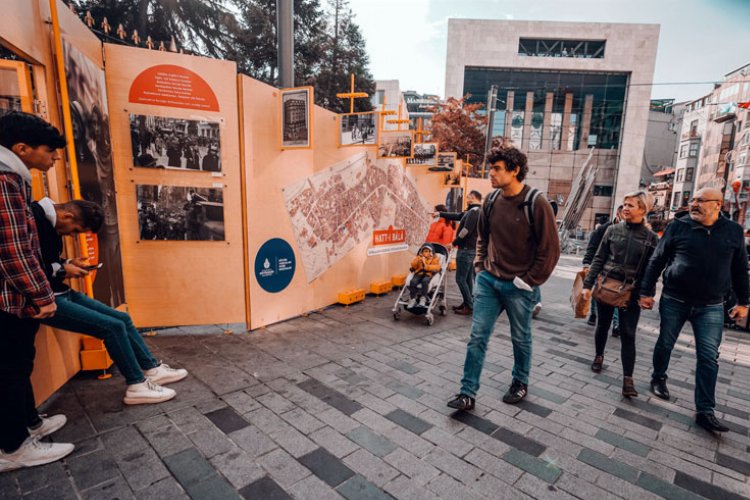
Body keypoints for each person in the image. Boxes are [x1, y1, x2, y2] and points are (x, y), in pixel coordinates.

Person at [30, 197, 189, 405]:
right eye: (75, 230)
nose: (71, 235)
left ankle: (152, 369)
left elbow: (42, 260)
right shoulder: (34, 219)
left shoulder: (46, 220)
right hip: (45, 299)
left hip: (58, 292)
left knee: (121, 318)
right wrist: (62, 269)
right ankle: (136, 385)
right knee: (111, 326)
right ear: (67, 215)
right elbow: (25, 265)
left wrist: (67, 263)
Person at [447, 147, 560, 410]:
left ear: (515, 170)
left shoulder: (536, 202)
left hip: (519, 286)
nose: (491, 174)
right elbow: (483, 238)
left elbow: (550, 250)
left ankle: (520, 381)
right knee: (477, 337)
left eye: (497, 168)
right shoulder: (490, 200)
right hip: (489, 281)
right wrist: (479, 267)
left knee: (520, 337)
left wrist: (530, 281)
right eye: (491, 168)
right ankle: (467, 393)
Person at [639, 187, 749, 433]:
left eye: (700, 200)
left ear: (717, 205)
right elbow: (657, 259)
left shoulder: (733, 232)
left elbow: (740, 269)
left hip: (711, 306)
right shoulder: (679, 226)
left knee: (709, 357)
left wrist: (744, 302)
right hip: (675, 300)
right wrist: (646, 292)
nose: (694, 204)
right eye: (693, 200)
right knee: (665, 343)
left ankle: (705, 410)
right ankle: (659, 377)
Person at [0, 111, 74, 471]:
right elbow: (13, 248)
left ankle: (29, 423)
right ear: (22, 148)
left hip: (15, 296)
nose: (54, 158)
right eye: (50, 151)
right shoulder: (4, 180)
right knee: (10, 369)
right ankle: (13, 447)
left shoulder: (14, 177)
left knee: (18, 365)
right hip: (8, 299)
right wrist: (42, 295)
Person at [581, 193, 658, 397]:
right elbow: (599, 258)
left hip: (632, 292)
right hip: (607, 285)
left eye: (630, 205)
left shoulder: (651, 238)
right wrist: (587, 285)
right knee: (603, 325)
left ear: (643, 209)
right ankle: (598, 356)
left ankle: (628, 380)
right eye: (624, 204)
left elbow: (652, 269)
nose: (625, 208)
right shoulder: (612, 230)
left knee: (628, 334)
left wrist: (647, 294)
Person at [436, 190, 482, 315]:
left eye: (468, 197)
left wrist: (453, 243)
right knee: (467, 279)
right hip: (469, 250)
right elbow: (457, 216)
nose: (467, 199)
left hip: (466, 250)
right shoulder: (472, 211)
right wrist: (440, 214)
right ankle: (467, 303)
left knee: (460, 279)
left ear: (473, 198)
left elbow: (465, 231)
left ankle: (469, 306)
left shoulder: (475, 212)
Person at [582, 206, 623, 333]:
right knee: (597, 293)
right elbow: (592, 247)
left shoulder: (630, 231)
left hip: (617, 272)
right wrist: (587, 263)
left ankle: (616, 325)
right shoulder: (604, 229)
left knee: (616, 296)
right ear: (618, 213)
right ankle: (594, 314)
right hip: (601, 267)